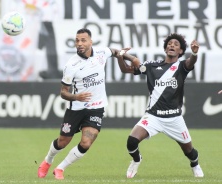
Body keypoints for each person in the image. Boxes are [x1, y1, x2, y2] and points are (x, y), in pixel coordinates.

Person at [37, 28, 139, 180]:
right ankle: (48, 160)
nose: (79, 43)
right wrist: (76, 97)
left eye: (83, 40)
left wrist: (131, 58)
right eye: (77, 40)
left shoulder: (101, 52)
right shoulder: (71, 65)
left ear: (91, 42)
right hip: (76, 108)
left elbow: (117, 52)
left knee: (86, 142)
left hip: (96, 107)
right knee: (63, 142)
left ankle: (60, 168)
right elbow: (63, 92)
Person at [116, 33, 204, 178]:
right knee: (131, 142)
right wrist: (120, 55)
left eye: (176, 44)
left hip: (174, 118)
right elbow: (125, 69)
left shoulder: (181, 67)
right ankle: (136, 160)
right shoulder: (151, 66)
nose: (172, 45)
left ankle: (195, 164)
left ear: (181, 51)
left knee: (189, 151)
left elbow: (191, 62)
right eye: (170, 43)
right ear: (165, 48)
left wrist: (194, 53)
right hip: (153, 116)